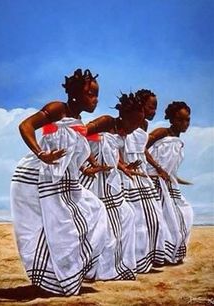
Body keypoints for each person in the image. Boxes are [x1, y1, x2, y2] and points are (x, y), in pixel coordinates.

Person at [10, 69, 109, 296]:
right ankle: (53, 281)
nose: (95, 99)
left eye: (96, 94)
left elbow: (71, 156)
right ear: (75, 94)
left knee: (94, 210)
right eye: (91, 94)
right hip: (35, 178)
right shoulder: (58, 109)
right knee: (50, 230)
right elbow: (25, 126)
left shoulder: (79, 123)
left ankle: (61, 277)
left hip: (61, 182)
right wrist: (40, 153)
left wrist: (87, 168)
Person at [80, 92, 145, 280]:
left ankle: (117, 266)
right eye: (133, 122)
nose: (135, 127)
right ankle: (96, 269)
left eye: (138, 123)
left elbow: (113, 154)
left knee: (127, 215)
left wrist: (124, 167)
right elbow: (80, 136)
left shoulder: (123, 133)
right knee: (104, 223)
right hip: (91, 179)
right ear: (124, 116)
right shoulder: (107, 122)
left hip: (108, 179)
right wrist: (88, 164)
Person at [122, 89, 165, 273]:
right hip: (128, 172)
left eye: (155, 107)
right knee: (136, 219)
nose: (154, 111)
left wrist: (157, 167)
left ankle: (148, 256)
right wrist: (124, 165)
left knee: (153, 216)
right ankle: (135, 260)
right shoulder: (128, 122)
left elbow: (142, 150)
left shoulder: (145, 126)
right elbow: (119, 146)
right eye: (151, 106)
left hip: (141, 173)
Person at [146, 101, 193, 264]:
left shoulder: (179, 142)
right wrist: (158, 169)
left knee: (185, 213)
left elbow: (171, 167)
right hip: (154, 180)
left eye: (187, 120)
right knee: (161, 218)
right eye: (180, 119)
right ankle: (160, 255)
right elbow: (141, 148)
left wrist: (175, 178)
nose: (185, 123)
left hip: (169, 182)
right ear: (172, 119)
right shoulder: (162, 132)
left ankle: (170, 252)